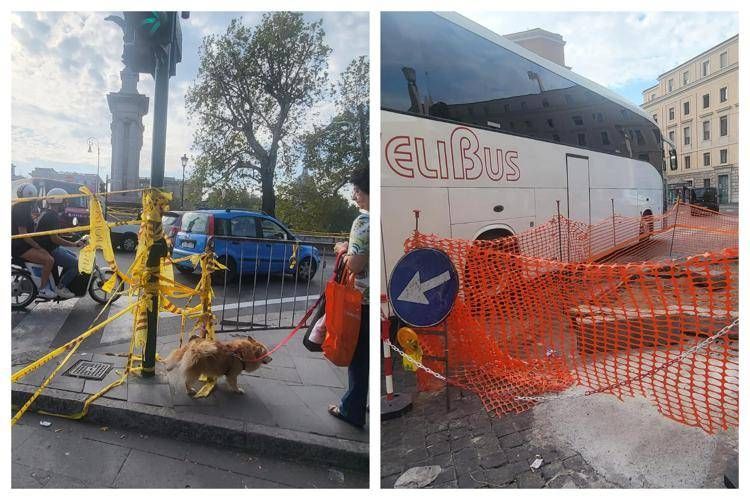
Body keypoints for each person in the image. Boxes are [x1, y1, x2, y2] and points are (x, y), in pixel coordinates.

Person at [328, 167, 369, 428]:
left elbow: (354, 264)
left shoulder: (363, 222)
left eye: (356, 190)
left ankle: (351, 409)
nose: (354, 196)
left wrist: (343, 250)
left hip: (363, 298)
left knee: (359, 355)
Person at [35, 188, 86, 299]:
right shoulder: (52, 216)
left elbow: (55, 235)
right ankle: (61, 287)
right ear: (58, 201)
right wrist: (74, 244)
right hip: (50, 249)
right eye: (65, 201)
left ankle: (58, 281)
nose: (66, 203)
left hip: (50, 247)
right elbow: (54, 239)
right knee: (76, 265)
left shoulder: (48, 213)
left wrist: (72, 237)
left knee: (73, 256)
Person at [12, 183, 56, 299]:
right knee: (49, 260)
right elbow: (24, 234)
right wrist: (38, 246)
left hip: (20, 244)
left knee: (48, 255)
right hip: (19, 247)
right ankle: (43, 289)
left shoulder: (20, 206)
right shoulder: (21, 209)